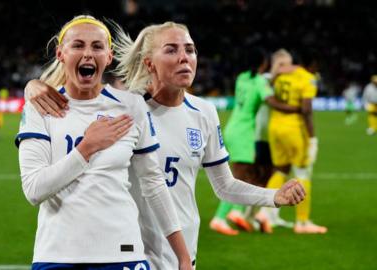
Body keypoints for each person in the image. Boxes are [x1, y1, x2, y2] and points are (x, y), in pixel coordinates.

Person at [24, 21, 306, 269]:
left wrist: (273, 197)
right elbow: (80, 99)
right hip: (131, 249)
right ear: (149, 63)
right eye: (171, 50)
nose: (184, 58)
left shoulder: (204, 113)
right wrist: (33, 85)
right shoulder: (127, 109)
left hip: (182, 248)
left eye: (190, 50)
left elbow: (224, 186)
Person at [16, 15, 193, 270]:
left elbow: (153, 182)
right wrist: (87, 148)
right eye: (78, 45)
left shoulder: (130, 106)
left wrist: (183, 256)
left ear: (108, 57)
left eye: (97, 47)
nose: (88, 53)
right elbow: (34, 190)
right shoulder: (40, 108)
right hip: (57, 253)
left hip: (122, 252)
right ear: (61, 54)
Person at [210, 48, 300, 235]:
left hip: (233, 126)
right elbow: (272, 101)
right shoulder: (259, 82)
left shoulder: (242, 77)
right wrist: (293, 108)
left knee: (245, 175)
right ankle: (220, 218)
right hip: (244, 132)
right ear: (264, 63)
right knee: (237, 178)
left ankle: (237, 212)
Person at [260, 49, 327, 234]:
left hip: (275, 128)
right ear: (313, 64)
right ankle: (302, 223)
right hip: (294, 130)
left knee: (280, 169)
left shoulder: (283, 75)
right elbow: (306, 109)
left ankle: (265, 214)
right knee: (303, 173)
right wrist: (312, 137)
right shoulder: (307, 78)